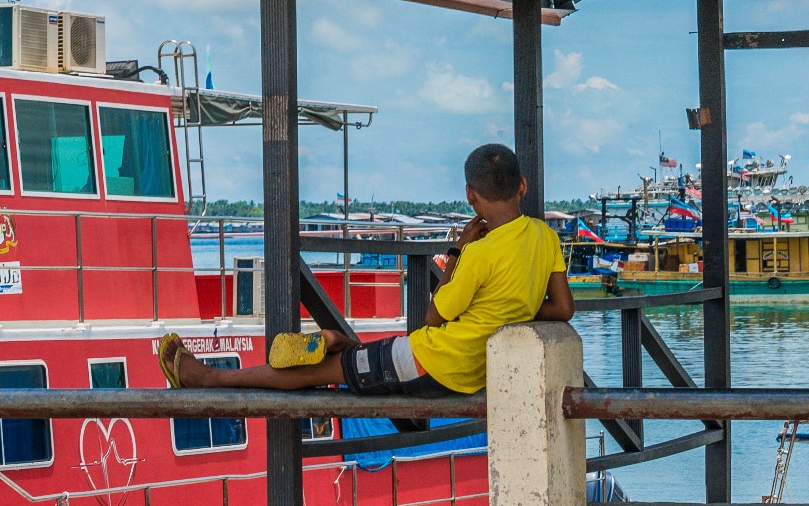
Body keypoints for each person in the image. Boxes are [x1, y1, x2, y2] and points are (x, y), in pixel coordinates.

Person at [161, 143, 571, 396]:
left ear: (469, 195)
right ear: (522, 185)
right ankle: (338, 341)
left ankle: (211, 379)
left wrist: (458, 250)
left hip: (437, 365)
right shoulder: (545, 237)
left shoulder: (478, 252)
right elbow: (563, 308)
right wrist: (510, 310)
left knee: (321, 373)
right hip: (469, 367)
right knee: (357, 359)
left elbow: (433, 317)